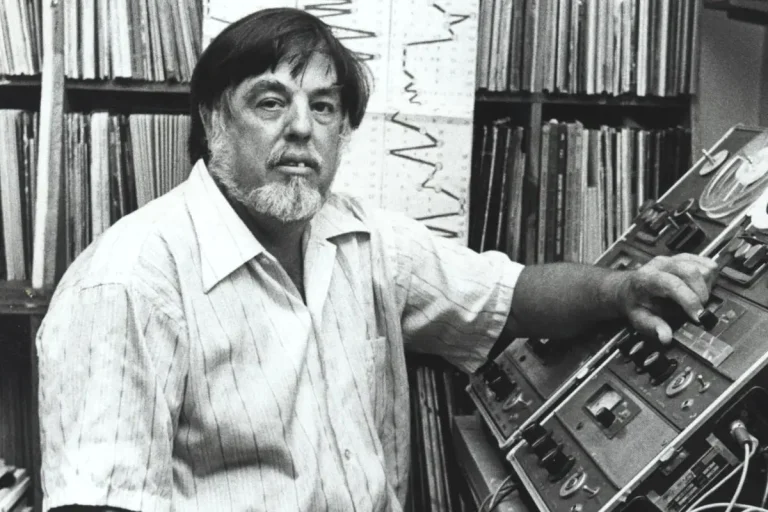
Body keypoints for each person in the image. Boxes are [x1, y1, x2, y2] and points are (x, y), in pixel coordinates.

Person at [38, 7, 717, 512]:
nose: (301, 127)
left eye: (323, 107)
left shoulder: (364, 238)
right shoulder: (127, 281)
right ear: (214, 121)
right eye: (270, 102)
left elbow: (510, 297)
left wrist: (620, 290)